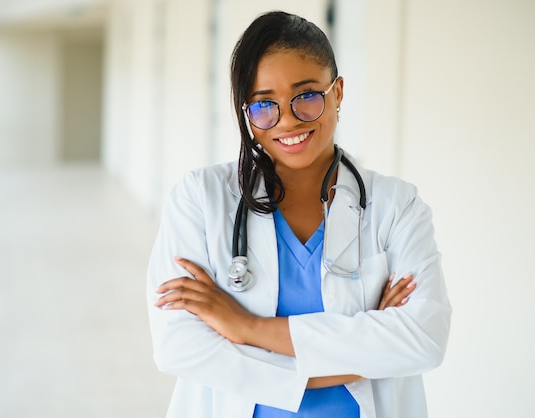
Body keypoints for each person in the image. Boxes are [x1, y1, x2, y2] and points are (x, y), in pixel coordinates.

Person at [147, 10, 451, 418]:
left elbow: (423, 340)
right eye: (264, 104)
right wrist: (362, 350)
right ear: (247, 114)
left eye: (306, 95)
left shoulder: (396, 205)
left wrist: (247, 329)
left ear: (338, 93)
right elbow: (178, 348)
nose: (287, 118)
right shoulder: (199, 200)